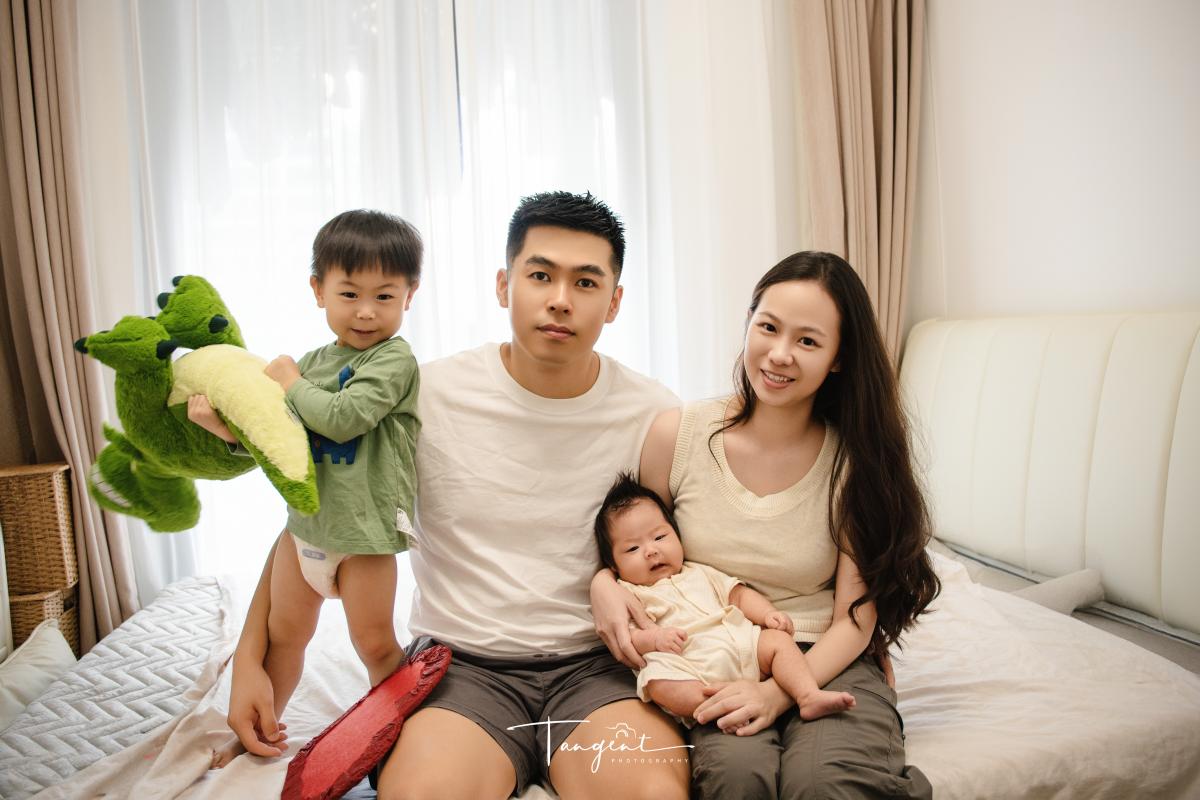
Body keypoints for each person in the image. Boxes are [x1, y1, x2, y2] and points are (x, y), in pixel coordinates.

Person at [226, 191, 690, 799]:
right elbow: (322, 512)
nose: (560, 299)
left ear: (615, 302)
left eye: (585, 282)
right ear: (503, 285)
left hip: (602, 669)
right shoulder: (422, 394)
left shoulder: (653, 414)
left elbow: (681, 558)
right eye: (540, 275)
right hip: (461, 672)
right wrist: (248, 660)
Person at [592, 251, 940, 798]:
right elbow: (635, 543)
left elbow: (854, 620)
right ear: (748, 323)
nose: (779, 354)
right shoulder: (677, 435)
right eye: (769, 327)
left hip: (825, 655)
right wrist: (601, 584)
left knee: (824, 784)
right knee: (737, 779)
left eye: (808, 341)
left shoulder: (855, 462)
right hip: (714, 656)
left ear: (839, 358)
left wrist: (778, 693)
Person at [189, 209, 422, 768]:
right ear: (318, 291)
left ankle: (406, 733)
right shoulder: (315, 362)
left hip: (364, 533)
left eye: (385, 296)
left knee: (375, 643)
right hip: (306, 531)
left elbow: (343, 418)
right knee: (284, 636)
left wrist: (289, 381)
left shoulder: (393, 359)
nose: (366, 311)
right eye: (349, 293)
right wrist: (228, 433)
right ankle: (260, 730)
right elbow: (282, 439)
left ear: (409, 296)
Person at [594, 472, 856, 725]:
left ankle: (808, 695)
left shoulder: (699, 572)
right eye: (633, 548)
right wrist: (654, 639)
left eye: (660, 537)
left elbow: (739, 596)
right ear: (613, 564)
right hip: (688, 665)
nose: (651, 551)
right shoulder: (628, 593)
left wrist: (768, 614)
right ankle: (717, 708)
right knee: (658, 682)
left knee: (778, 641)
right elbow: (628, 637)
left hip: (739, 644)